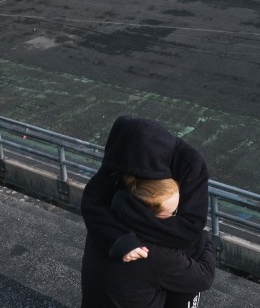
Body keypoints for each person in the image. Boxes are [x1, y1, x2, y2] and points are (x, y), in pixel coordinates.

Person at [81, 115, 210, 307]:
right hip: (165, 263)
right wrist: (207, 241)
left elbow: (189, 230)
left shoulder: (191, 167)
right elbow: (204, 277)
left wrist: (121, 227)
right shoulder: (156, 255)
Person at [81, 176, 216, 307]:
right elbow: (204, 277)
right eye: (172, 213)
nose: (176, 219)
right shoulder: (156, 253)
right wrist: (203, 235)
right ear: (150, 218)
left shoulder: (104, 226)